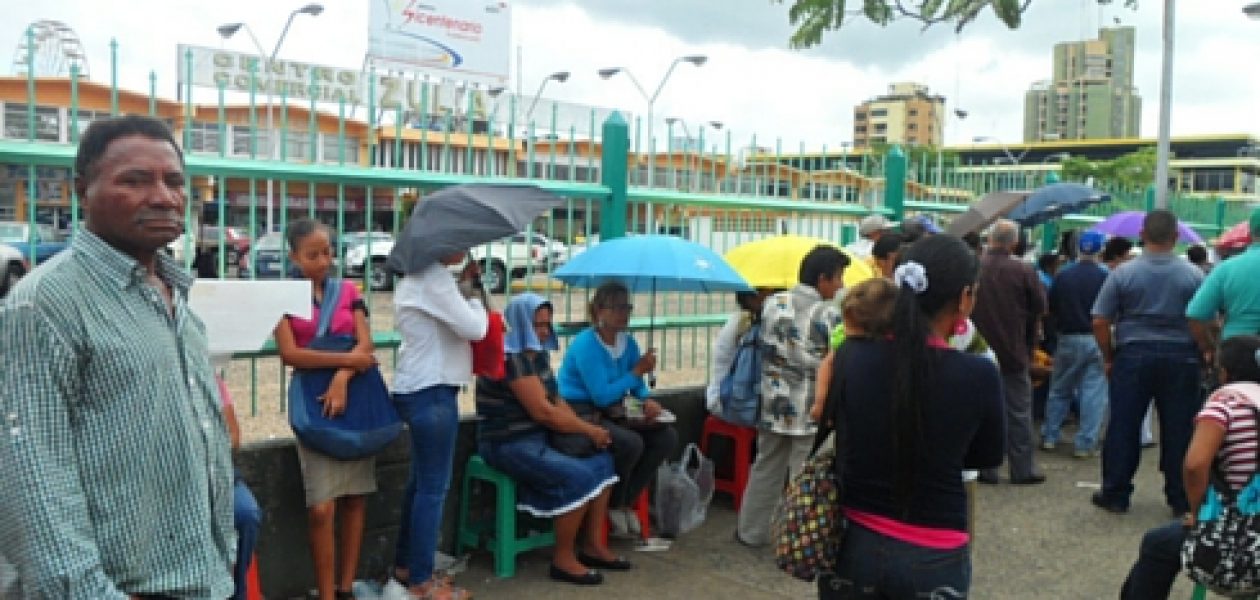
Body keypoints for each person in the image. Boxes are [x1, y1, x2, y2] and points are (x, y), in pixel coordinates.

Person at [0, 115, 235, 598]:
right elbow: (35, 486)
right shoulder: (45, 305)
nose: (164, 197)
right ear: (82, 190)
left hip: (202, 579)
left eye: (174, 181)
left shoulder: (176, 299)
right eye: (135, 180)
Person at [818, 234, 1005, 599]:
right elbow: (985, 457)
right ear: (965, 297)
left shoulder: (852, 356)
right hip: (935, 552)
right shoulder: (977, 373)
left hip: (853, 542)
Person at [476, 293, 624, 585]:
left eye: (546, 324)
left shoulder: (538, 356)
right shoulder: (511, 359)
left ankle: (593, 545)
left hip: (537, 437)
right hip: (506, 443)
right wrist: (587, 430)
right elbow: (543, 412)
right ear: (520, 323)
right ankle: (564, 559)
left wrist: (584, 429)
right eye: (536, 325)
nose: (543, 331)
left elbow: (556, 400)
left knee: (603, 461)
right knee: (578, 476)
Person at [273, 218, 379, 600]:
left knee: (355, 498)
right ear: (294, 256)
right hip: (313, 405)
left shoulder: (349, 290)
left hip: (351, 397)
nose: (323, 261)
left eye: (328, 252)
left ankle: (345, 587)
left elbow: (365, 344)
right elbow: (290, 353)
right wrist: (343, 363)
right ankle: (326, 593)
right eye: (312, 254)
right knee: (321, 507)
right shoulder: (283, 296)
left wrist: (341, 377)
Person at [1119, 335, 1260, 598]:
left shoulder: (1226, 404)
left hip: (1240, 542)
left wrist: (1198, 512)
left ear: (1224, 373)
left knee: (1156, 544)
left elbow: (1195, 465)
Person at [387, 248, 488, 600]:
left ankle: (406, 566)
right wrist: (476, 298)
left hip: (417, 387)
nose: (463, 250)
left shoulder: (420, 279)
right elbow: (475, 327)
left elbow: (441, 315)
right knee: (433, 489)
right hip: (433, 391)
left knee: (419, 485)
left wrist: (462, 285)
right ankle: (421, 582)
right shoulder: (432, 279)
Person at [1091, 210, 1206, 516]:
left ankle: (1116, 493)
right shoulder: (1193, 275)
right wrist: (1204, 350)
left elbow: (1101, 320)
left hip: (1133, 353)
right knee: (1179, 428)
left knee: (1124, 425)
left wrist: (1109, 356)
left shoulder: (1123, 274)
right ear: (1176, 238)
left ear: (1142, 235)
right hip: (1181, 356)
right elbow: (1202, 317)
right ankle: (1180, 497)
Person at [735, 245, 847, 547]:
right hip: (810, 406)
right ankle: (798, 540)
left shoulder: (772, 303)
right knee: (804, 475)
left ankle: (751, 531)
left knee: (765, 467)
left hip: (772, 401)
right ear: (823, 278)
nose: (841, 286)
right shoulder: (828, 314)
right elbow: (836, 359)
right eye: (837, 278)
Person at [557, 281, 678, 536]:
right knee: (629, 442)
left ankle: (627, 499)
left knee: (665, 436)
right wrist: (636, 372)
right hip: (582, 408)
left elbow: (635, 388)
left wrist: (646, 401)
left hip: (615, 405)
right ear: (600, 311)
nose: (624, 314)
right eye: (618, 308)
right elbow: (601, 395)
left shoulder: (627, 343)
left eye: (627, 307)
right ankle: (615, 504)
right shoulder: (587, 345)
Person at [971, 219, 1049, 485]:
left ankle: (985, 467)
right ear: (1014, 242)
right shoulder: (1023, 270)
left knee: (979, 412)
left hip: (975, 350)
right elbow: (1040, 306)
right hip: (1013, 351)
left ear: (989, 239)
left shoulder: (973, 267)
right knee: (1018, 412)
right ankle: (1021, 469)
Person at [1041, 231, 1111, 458]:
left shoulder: (1063, 275)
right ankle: (1085, 443)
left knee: (1060, 388)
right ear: (1100, 250)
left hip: (1068, 337)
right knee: (1093, 392)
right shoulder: (1106, 276)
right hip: (1097, 337)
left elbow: (1051, 308)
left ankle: (1050, 436)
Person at [811, 277, 898, 422]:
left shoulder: (849, 347)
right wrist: (821, 404)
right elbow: (827, 364)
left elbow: (828, 364)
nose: (846, 331)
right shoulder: (843, 338)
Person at [1187, 207, 1260, 360]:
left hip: (1236, 353)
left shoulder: (1226, 269)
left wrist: (1209, 347)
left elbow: (1195, 314)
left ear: (1250, 233)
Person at [219, 377, 264, 600]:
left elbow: (235, 436)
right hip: (179, 479)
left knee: (246, 513)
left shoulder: (209, 378)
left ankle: (238, 594)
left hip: (217, 471)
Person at [706, 289, 778, 415]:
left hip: (732, 395)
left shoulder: (746, 320)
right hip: (728, 400)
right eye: (770, 294)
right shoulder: (746, 325)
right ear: (751, 298)